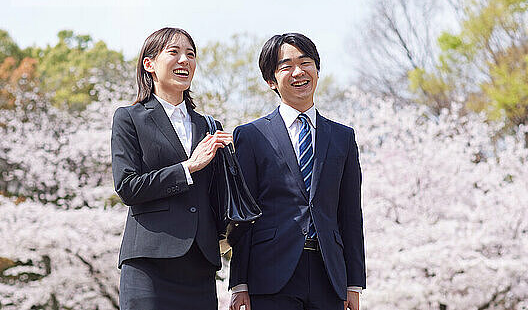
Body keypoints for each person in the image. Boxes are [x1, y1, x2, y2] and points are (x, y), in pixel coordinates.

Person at [229, 33, 366, 310]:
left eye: (306, 63)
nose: (299, 72)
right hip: (269, 273)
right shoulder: (251, 135)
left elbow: (350, 212)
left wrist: (353, 282)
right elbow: (244, 214)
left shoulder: (343, 137)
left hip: (329, 274)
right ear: (271, 80)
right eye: (286, 66)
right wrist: (239, 282)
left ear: (317, 69)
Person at [111, 27, 233, 310]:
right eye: (174, 52)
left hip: (200, 265)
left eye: (190, 54)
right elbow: (128, 186)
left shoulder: (209, 127)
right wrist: (187, 168)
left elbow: (217, 196)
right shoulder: (130, 118)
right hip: (149, 266)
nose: (184, 60)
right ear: (149, 64)